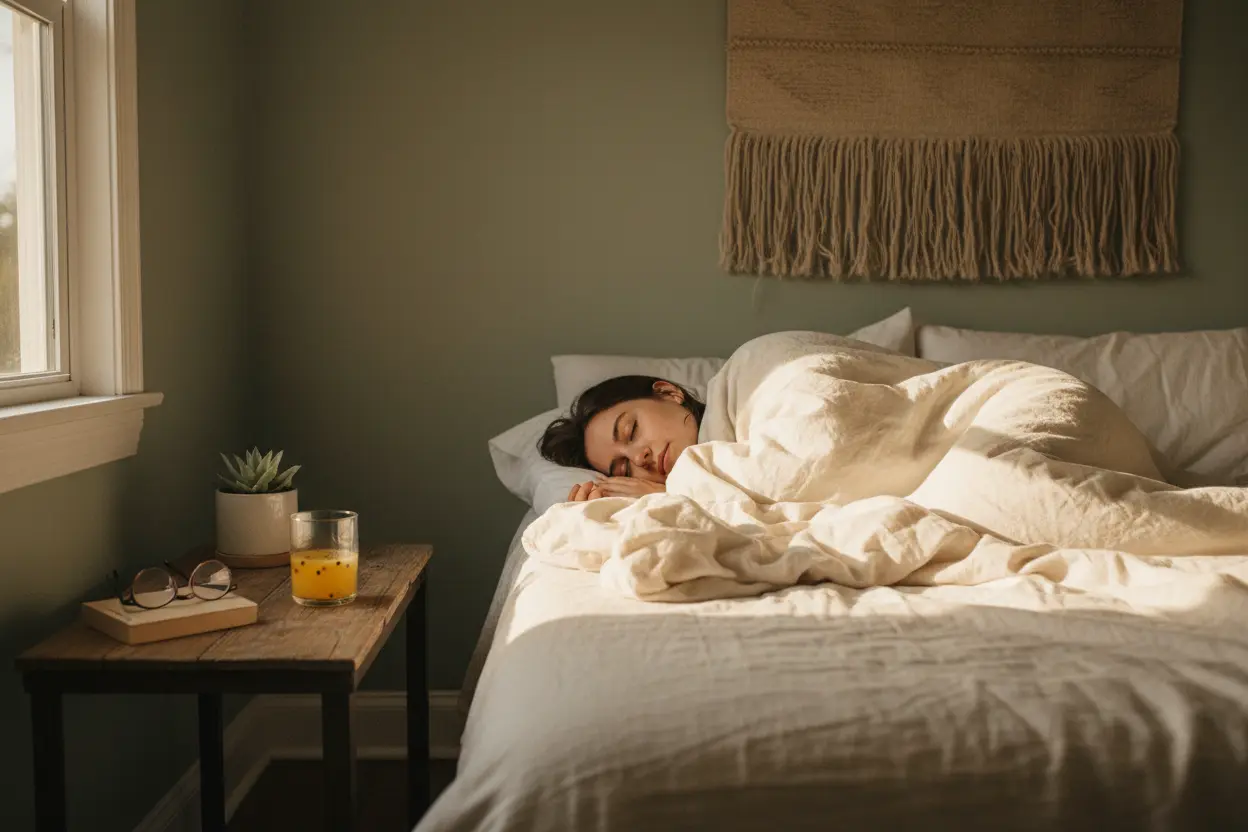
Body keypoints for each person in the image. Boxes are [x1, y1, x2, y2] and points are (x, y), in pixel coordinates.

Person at [540, 375, 705, 502]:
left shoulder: (729, 397)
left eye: (631, 431)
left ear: (668, 393)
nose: (639, 458)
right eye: (625, 470)